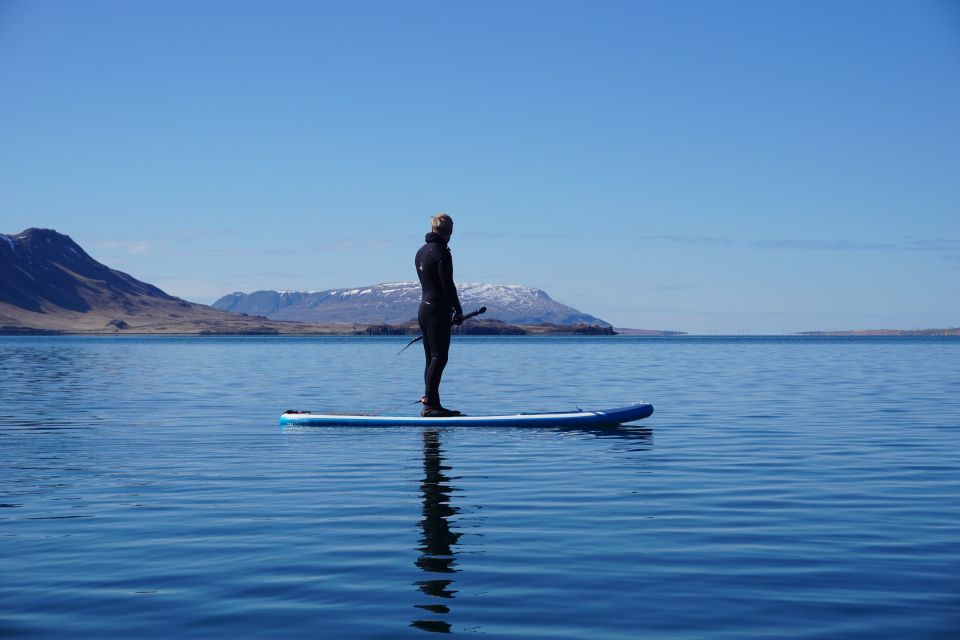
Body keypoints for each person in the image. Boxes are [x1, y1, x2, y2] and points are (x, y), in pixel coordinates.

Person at [415, 213, 464, 417]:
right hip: (437, 311)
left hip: (424, 310)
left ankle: (432, 403)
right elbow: (447, 285)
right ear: (449, 232)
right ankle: (430, 405)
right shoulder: (443, 252)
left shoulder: (421, 251)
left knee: (431, 359)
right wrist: (458, 310)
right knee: (439, 357)